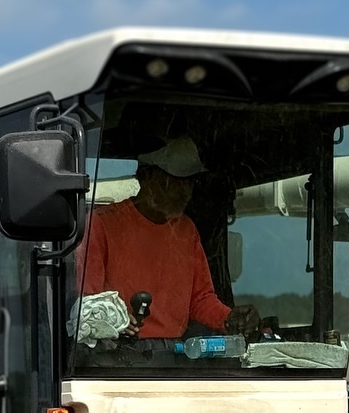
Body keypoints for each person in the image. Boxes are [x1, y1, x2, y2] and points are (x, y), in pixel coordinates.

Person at [78, 137, 259, 340]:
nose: (184, 190)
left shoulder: (186, 230)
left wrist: (228, 318)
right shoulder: (101, 224)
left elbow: (200, 299)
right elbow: (87, 303)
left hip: (172, 358)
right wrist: (114, 321)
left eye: (189, 181)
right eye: (174, 179)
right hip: (119, 357)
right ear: (146, 177)